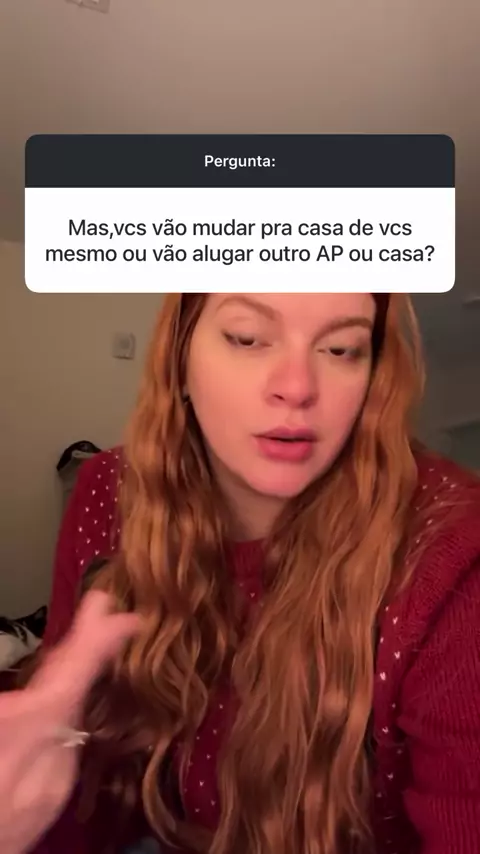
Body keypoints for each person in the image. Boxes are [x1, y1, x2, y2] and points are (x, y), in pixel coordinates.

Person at [8, 293, 480, 854]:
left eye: (341, 349)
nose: (297, 388)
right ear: (179, 356)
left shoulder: (452, 555)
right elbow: (78, 795)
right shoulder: (107, 494)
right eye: (247, 338)